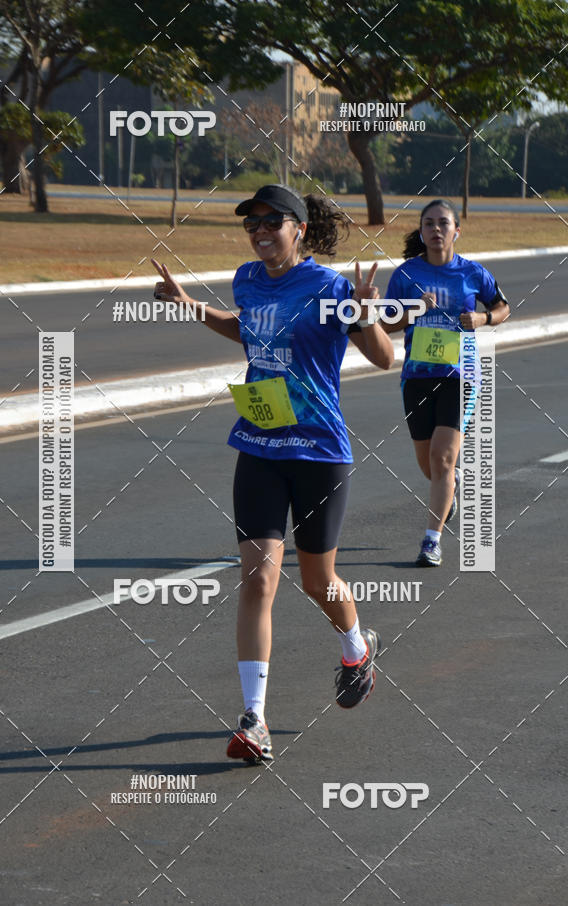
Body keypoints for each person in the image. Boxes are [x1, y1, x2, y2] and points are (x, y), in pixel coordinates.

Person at [152, 184, 394, 764]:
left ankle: (356, 647)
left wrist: (365, 315)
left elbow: (384, 358)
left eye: (270, 222)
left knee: (317, 582)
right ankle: (254, 719)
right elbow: (246, 327)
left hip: (319, 452)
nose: (259, 231)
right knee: (258, 579)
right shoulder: (247, 279)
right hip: (259, 444)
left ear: (298, 229)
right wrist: (190, 304)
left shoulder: (330, 288)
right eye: (251, 223)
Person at [382, 199, 510, 567]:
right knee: (430, 466)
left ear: (457, 231)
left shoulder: (472, 272)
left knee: (441, 458)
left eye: (443, 223)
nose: (436, 229)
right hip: (417, 377)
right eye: (429, 224)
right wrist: (413, 310)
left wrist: (483, 319)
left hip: (460, 375)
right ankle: (450, 486)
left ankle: (431, 541)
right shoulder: (406, 274)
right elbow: (385, 323)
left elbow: (503, 307)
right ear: (421, 232)